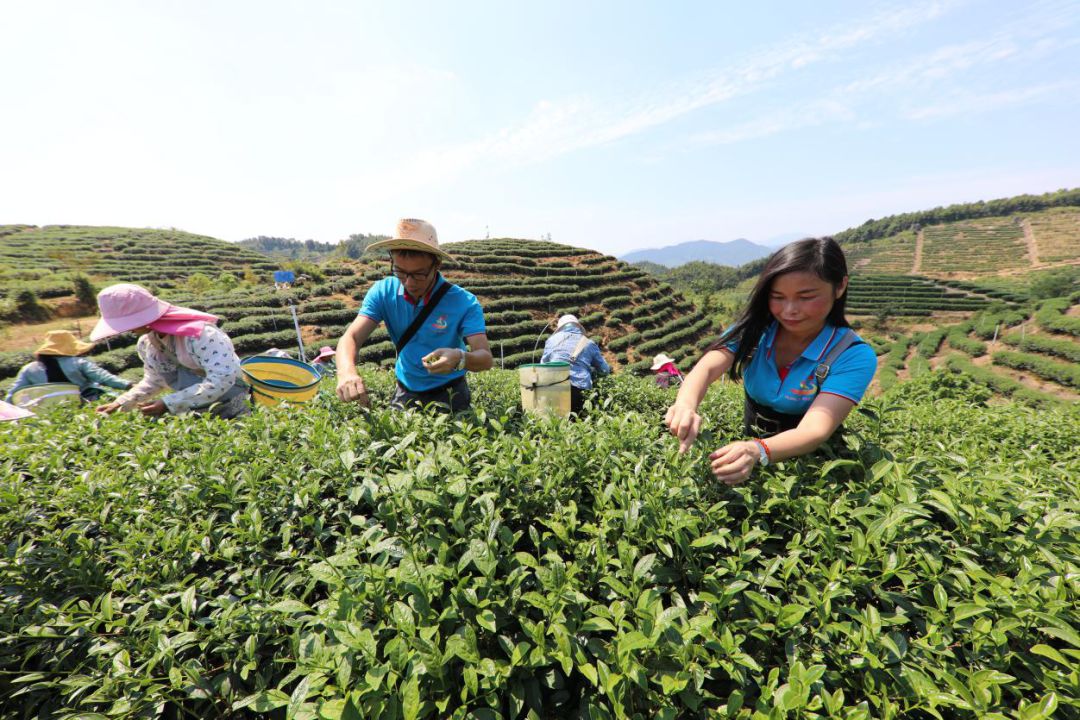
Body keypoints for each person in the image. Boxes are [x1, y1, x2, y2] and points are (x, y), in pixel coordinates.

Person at [665, 237, 877, 486]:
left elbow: (815, 430)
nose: (789, 310)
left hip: (811, 462)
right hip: (750, 442)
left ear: (840, 286)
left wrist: (757, 451)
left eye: (805, 297)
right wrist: (685, 405)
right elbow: (707, 367)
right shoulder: (755, 330)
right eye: (778, 297)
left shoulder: (851, 354)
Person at [335, 218, 493, 412]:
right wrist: (346, 372)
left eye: (419, 274)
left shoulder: (463, 302)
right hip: (405, 390)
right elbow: (351, 337)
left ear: (436, 265)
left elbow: (485, 358)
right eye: (400, 272)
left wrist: (460, 358)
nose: (409, 283)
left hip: (452, 393)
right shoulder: (383, 292)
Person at [90, 284, 250, 419]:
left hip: (233, 406)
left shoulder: (201, 335)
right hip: (196, 411)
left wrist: (169, 403)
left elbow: (222, 378)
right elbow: (154, 380)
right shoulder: (147, 343)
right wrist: (121, 403)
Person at [5, 330, 131, 403]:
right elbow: (104, 378)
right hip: (85, 402)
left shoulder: (29, 369)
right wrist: (129, 385)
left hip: (47, 408)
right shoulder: (78, 363)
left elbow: (14, 393)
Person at [540, 314, 610, 414]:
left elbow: (543, 365)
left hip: (553, 386)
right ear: (577, 326)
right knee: (577, 422)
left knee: (555, 422)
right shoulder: (588, 343)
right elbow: (605, 370)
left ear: (560, 328)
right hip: (579, 389)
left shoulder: (551, 341)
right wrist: (591, 371)